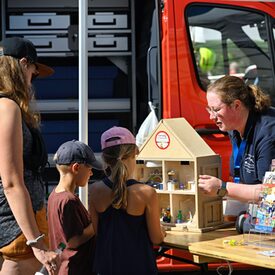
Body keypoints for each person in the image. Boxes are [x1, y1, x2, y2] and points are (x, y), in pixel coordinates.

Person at [0, 37, 58, 275]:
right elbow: (12, 182)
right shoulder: (8, 107)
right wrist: (37, 243)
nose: (33, 80)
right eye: (34, 72)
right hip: (17, 227)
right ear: (23, 64)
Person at [89, 126, 166, 275]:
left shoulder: (94, 190)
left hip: (106, 267)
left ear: (105, 159)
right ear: (135, 153)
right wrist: (162, 231)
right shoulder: (147, 192)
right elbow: (156, 238)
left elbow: (97, 232)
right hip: (139, 267)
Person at [198, 75, 275, 203]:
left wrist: (222, 187)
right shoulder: (233, 127)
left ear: (236, 105)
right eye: (209, 109)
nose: (211, 116)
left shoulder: (268, 133)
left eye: (216, 110)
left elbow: (270, 192)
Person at [47, 140, 103, 274]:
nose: (91, 173)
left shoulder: (54, 195)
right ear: (76, 168)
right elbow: (74, 241)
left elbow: (62, 241)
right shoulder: (68, 200)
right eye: (89, 168)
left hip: (65, 267)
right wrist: (98, 220)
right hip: (75, 269)